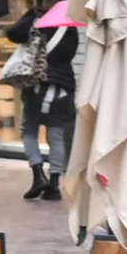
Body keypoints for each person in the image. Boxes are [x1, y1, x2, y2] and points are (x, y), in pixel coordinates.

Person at [17, 16, 78, 202]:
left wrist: (30, 15)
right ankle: (54, 184)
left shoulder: (38, 24)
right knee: (56, 136)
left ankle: (38, 174)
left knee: (28, 131)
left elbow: (13, 33)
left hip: (37, 88)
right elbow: (71, 53)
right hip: (62, 89)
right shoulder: (70, 28)